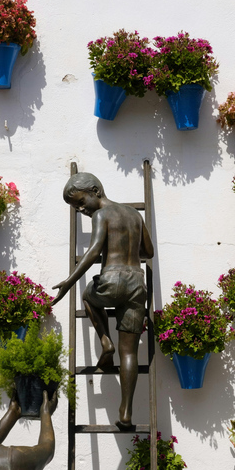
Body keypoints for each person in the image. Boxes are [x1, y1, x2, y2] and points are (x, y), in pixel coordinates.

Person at [52, 172, 154, 430]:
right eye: (76, 207)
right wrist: (127, 249)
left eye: (80, 201)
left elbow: (94, 250)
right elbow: (148, 252)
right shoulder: (134, 214)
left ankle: (105, 341)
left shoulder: (101, 215)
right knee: (129, 351)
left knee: (88, 296)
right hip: (137, 283)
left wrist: (68, 281)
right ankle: (127, 411)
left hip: (112, 280)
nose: (80, 209)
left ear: (96, 190)